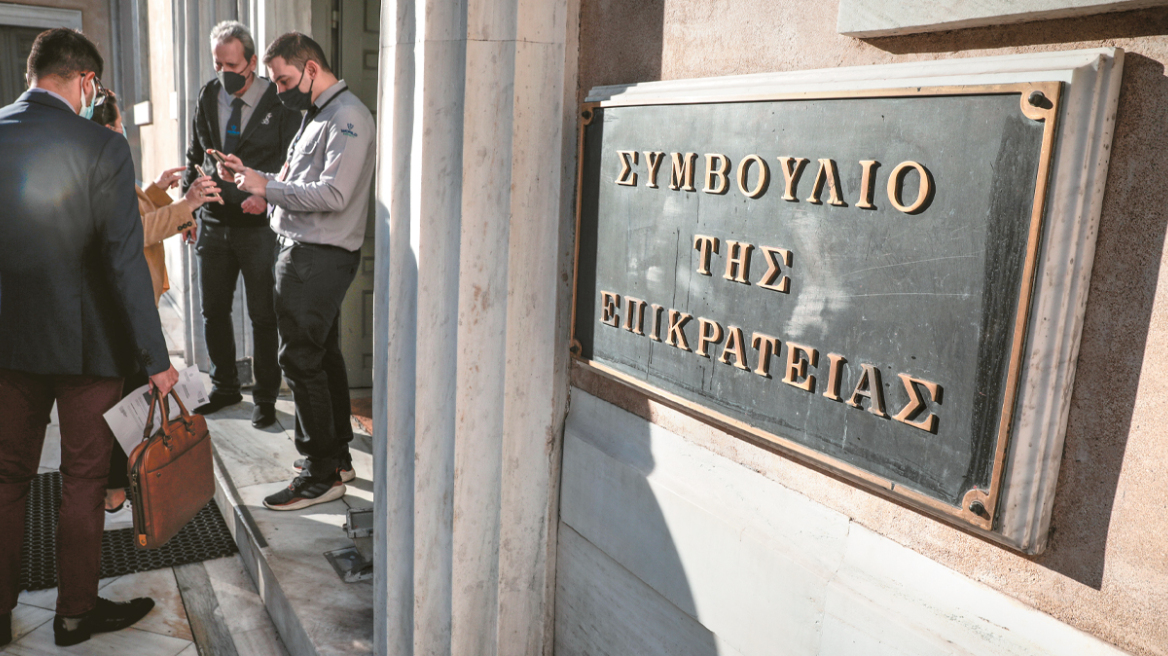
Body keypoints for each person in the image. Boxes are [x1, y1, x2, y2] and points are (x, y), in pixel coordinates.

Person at [0, 28, 179, 647]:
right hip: (89, 345)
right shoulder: (103, 145)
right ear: (85, 81)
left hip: (8, 343)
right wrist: (155, 359)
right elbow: (125, 260)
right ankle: (74, 614)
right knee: (82, 479)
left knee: (6, 477)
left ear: (34, 73)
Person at [219, 32, 374, 510]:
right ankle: (336, 459)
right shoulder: (316, 116)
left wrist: (268, 188)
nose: (280, 91)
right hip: (303, 252)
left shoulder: (347, 116)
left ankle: (320, 473)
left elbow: (333, 194)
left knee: (300, 361)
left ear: (311, 69)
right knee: (321, 357)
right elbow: (296, 183)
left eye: (284, 80)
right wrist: (255, 183)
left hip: (317, 257)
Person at [90, 90, 223, 531]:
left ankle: (118, 489)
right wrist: (186, 206)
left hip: (130, 302)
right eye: (117, 123)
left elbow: (132, 216)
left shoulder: (103, 162)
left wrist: (155, 191)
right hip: (123, 307)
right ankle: (114, 493)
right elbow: (132, 234)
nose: (122, 130)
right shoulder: (103, 165)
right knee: (126, 402)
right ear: (104, 127)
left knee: (129, 397)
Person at [184, 21, 300, 428]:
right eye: (218, 64)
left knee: (264, 316)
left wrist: (266, 195)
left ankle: (265, 397)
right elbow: (194, 154)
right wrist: (187, 211)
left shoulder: (278, 101)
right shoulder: (207, 96)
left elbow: (291, 162)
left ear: (251, 62)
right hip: (213, 222)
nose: (223, 72)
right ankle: (225, 386)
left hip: (259, 229)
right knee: (213, 311)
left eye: (231, 65)